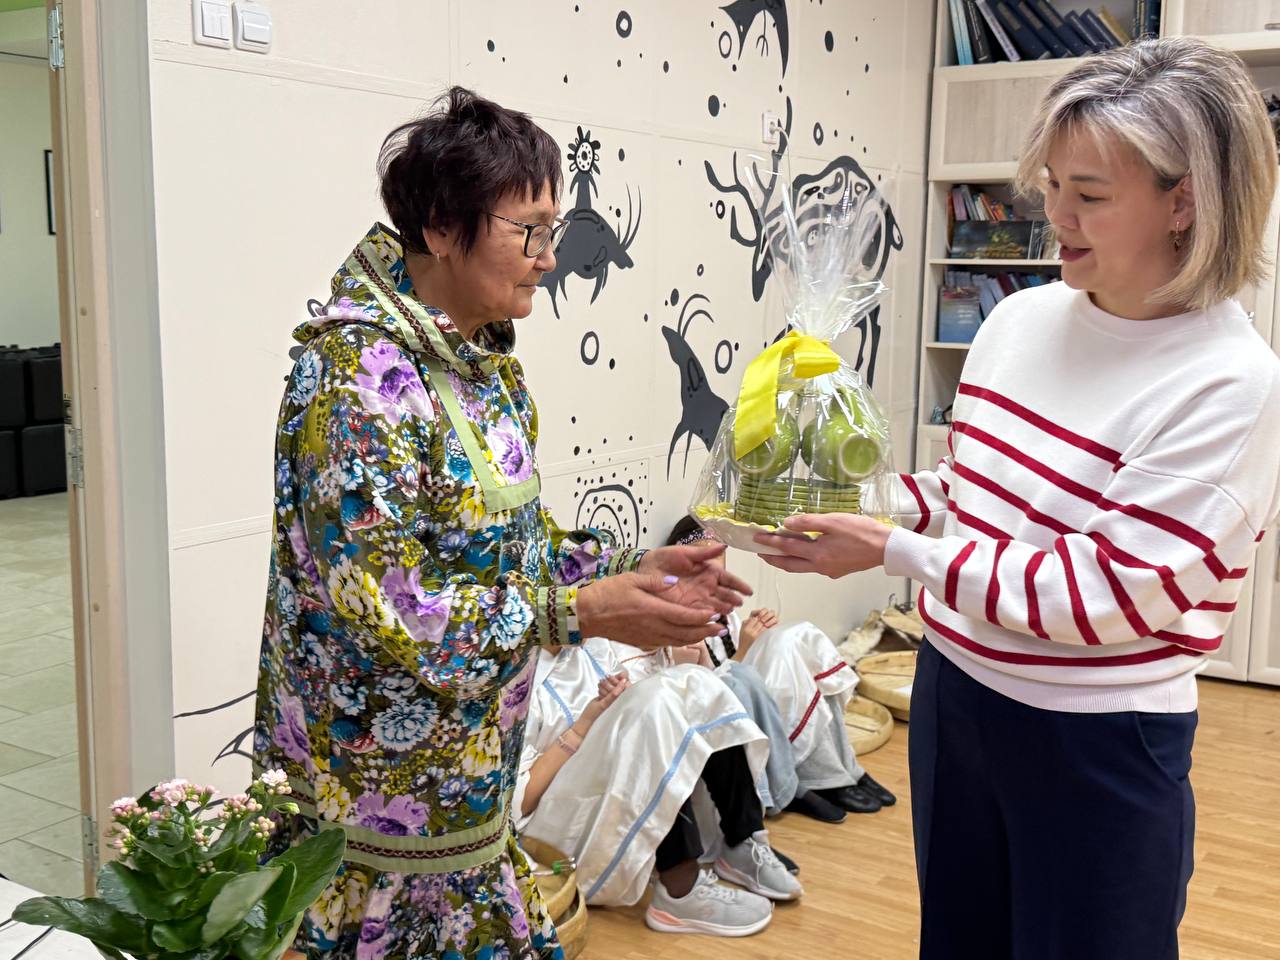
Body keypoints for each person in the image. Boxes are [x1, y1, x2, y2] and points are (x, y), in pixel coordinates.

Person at [756, 38, 1280, 960]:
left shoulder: (1229, 383)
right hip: (954, 696)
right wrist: (864, 502)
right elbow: (978, 492)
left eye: (1091, 195)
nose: (1053, 216)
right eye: (1051, 183)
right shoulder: (1019, 317)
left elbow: (1103, 597)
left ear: (1185, 200)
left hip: (1098, 740)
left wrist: (890, 551)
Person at [253, 87, 751, 960]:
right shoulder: (355, 381)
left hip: (469, 788)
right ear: (442, 227)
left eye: (553, 231)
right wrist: (583, 611)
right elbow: (399, 609)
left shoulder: (481, 365)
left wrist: (632, 570)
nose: (550, 260)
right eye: (530, 232)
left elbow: (509, 544)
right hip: (379, 813)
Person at [515, 639, 802, 937]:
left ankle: (742, 838)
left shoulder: (593, 649)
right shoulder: (518, 684)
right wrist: (583, 728)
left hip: (604, 792)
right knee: (653, 711)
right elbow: (519, 804)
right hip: (555, 831)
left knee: (695, 682)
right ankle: (680, 890)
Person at [666, 517, 896, 818]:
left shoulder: (723, 609)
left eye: (718, 557)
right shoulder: (674, 620)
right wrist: (747, 647)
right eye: (700, 559)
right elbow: (706, 694)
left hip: (741, 688)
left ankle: (847, 768)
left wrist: (754, 634)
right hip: (724, 712)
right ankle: (824, 777)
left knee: (797, 638)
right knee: (789, 647)